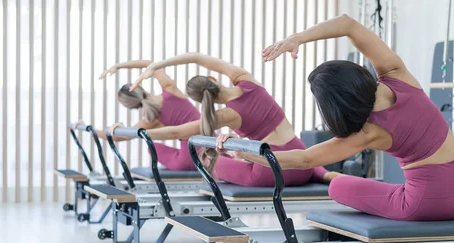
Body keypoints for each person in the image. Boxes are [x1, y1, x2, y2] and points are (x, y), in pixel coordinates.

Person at [217, 14, 454, 223]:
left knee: (338, 187)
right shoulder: (397, 75)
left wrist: (240, 150)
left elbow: (301, 160)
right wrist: (298, 38)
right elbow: (348, 25)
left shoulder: (366, 132)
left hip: (431, 202)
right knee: (385, 184)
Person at [122, 52, 336, 187]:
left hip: (269, 172)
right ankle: (324, 175)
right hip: (301, 162)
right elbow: (197, 57)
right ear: (213, 79)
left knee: (207, 160)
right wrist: (158, 64)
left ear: (204, 101)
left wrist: (137, 133)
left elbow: (177, 132)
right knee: (236, 149)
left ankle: (322, 174)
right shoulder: (245, 80)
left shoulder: (224, 116)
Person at [76, 59, 200, 171]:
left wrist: (90, 128)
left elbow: (117, 137)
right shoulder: (170, 88)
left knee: (153, 148)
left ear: (131, 107)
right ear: (139, 86)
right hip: (210, 146)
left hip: (191, 161)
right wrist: (118, 65)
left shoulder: (151, 119)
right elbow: (149, 63)